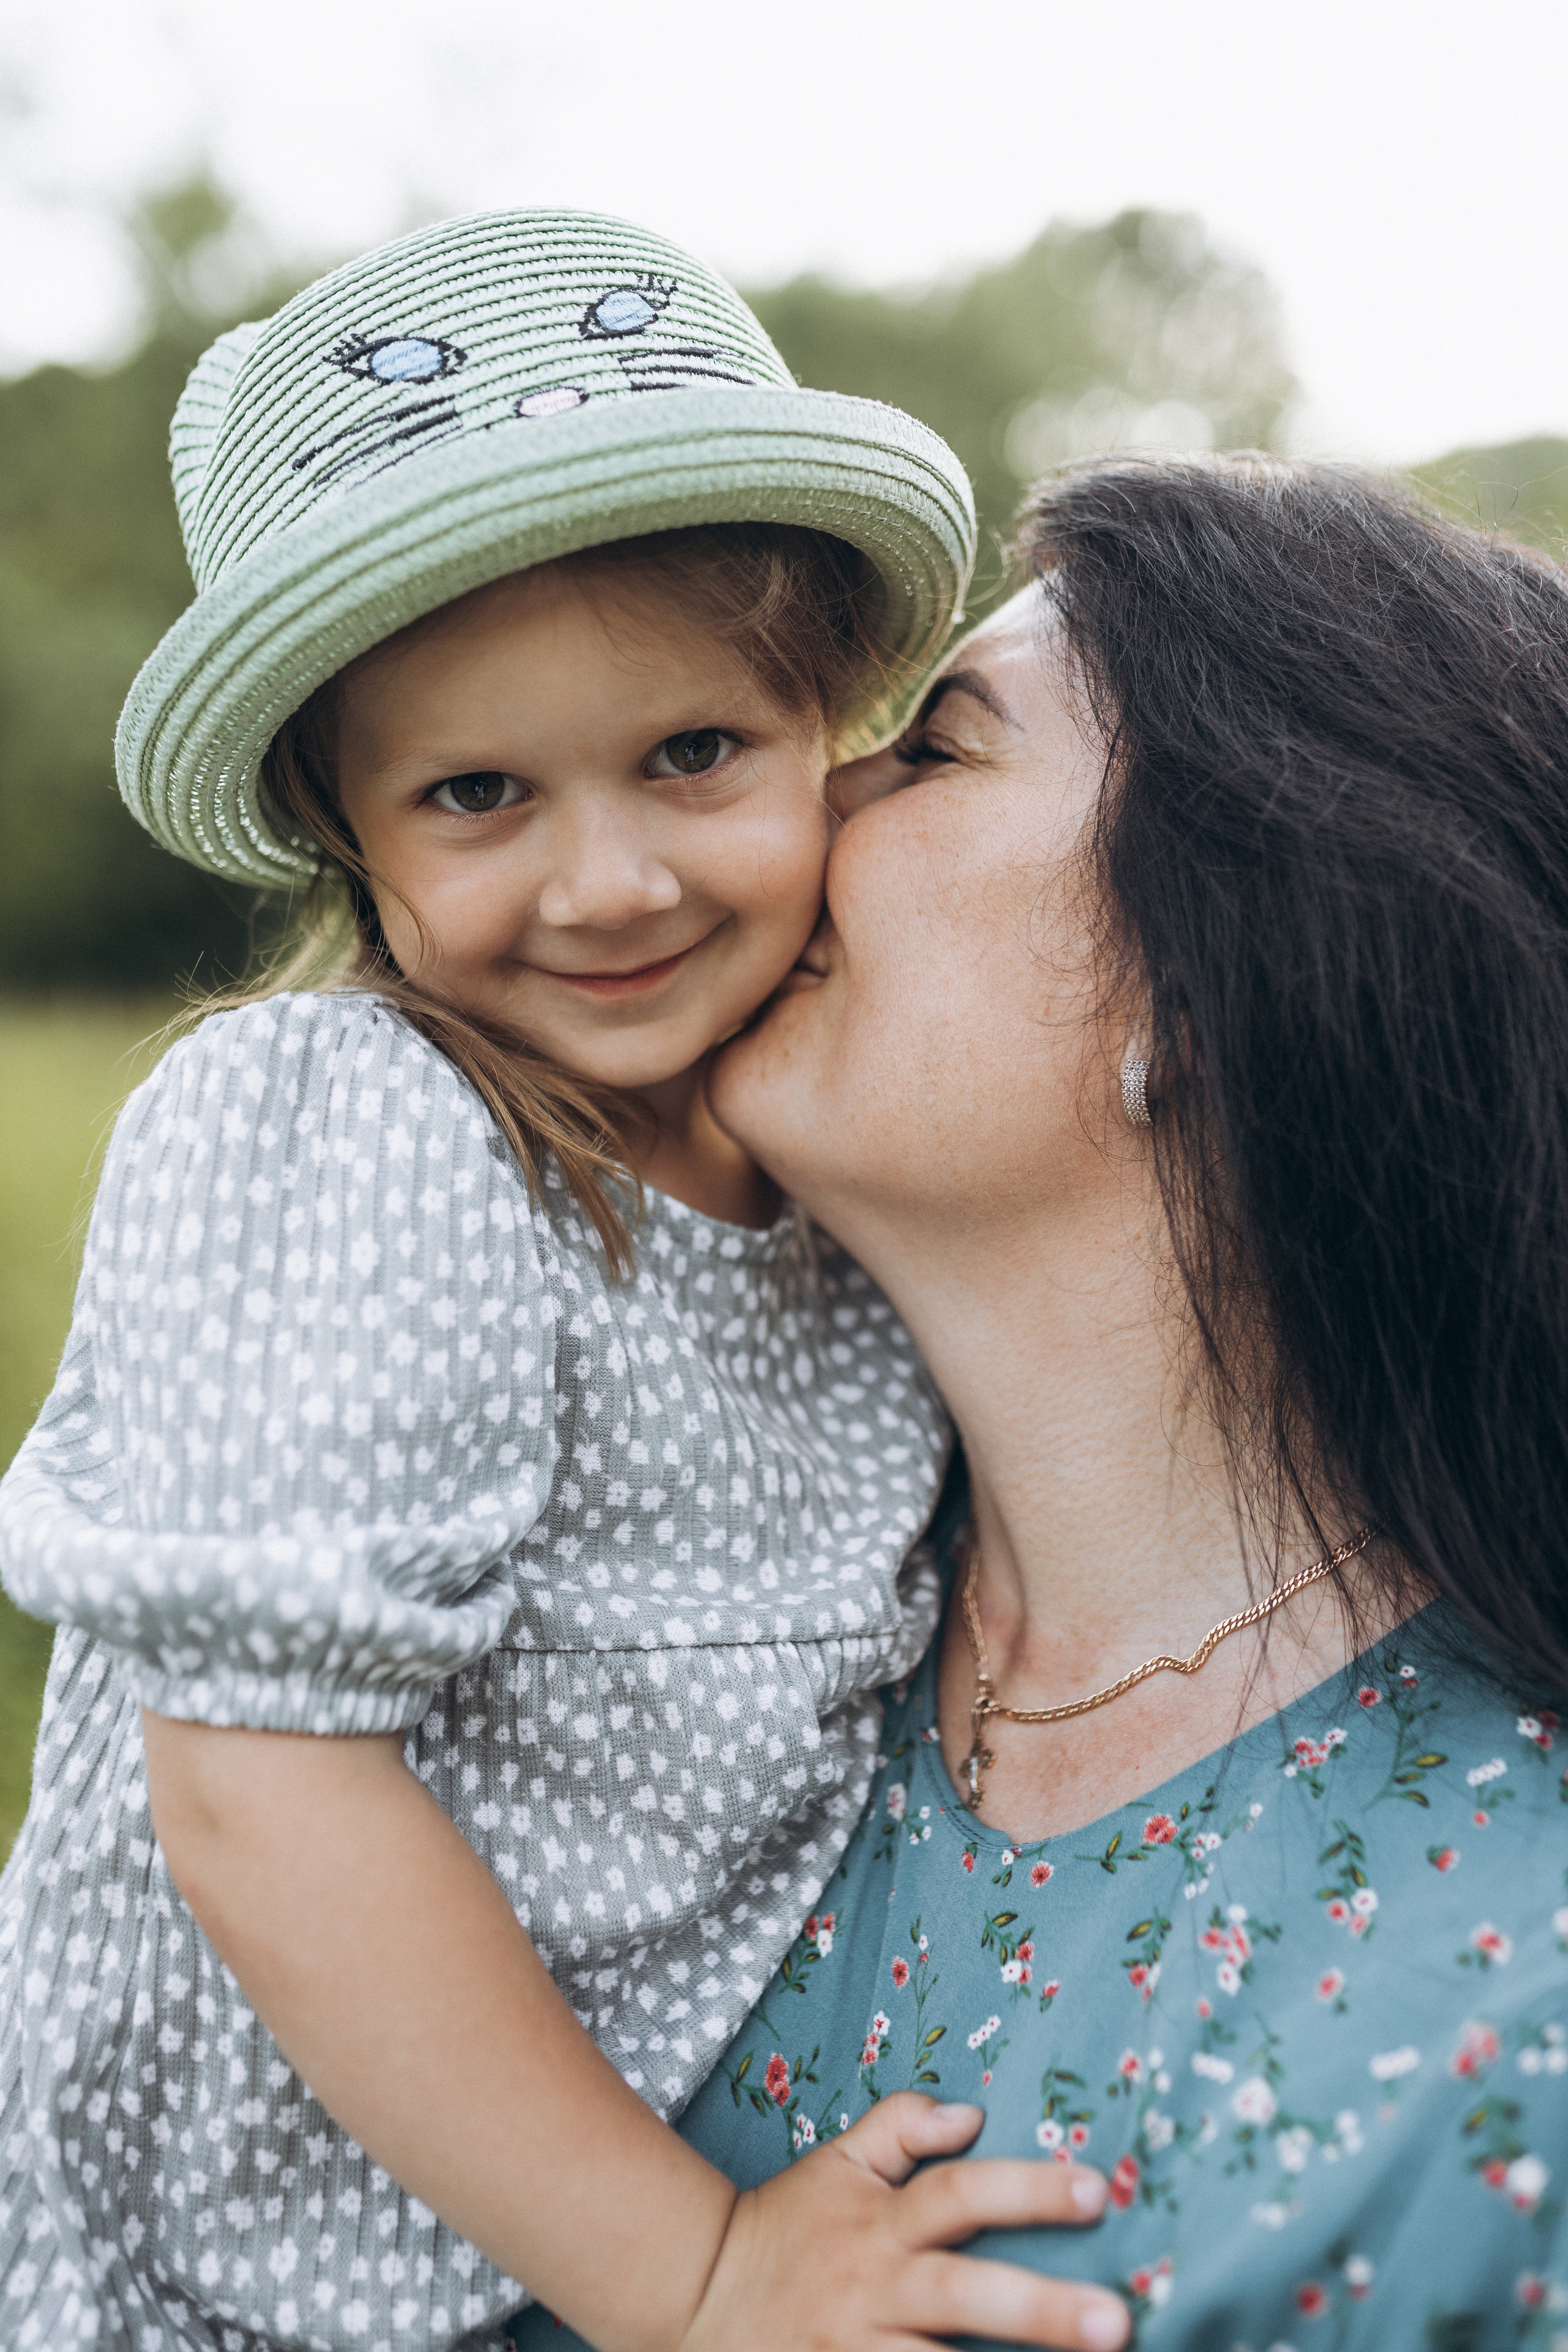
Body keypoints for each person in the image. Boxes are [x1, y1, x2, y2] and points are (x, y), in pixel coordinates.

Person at [0, 213, 1132, 2352]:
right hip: (226, 2277)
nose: (607, 884)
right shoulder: (354, 1130)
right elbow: (261, 1785)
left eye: (693, 754)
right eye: (478, 794)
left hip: (534, 2249)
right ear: (349, 831)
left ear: (829, 732)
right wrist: (684, 2270)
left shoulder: (836, 1152)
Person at [644, 456, 1568, 2347]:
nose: (801, 796)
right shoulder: (647, 1598)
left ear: (1216, 990)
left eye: (937, 750)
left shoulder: (1506, 2030)